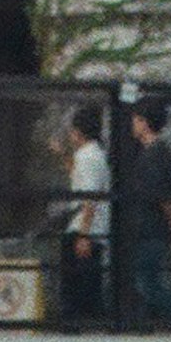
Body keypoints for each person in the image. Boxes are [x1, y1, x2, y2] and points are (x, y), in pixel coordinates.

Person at [120, 100, 171, 323]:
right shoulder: (157, 151)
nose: (132, 124)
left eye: (136, 120)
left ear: (144, 122)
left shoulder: (154, 154)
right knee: (145, 282)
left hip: (151, 228)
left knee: (147, 283)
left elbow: (163, 195)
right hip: (148, 227)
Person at [56, 107, 110, 322]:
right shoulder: (91, 155)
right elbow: (79, 179)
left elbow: (90, 197)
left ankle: (79, 326)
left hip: (83, 228)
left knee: (77, 287)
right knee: (85, 283)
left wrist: (83, 234)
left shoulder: (89, 157)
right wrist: (63, 156)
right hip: (86, 227)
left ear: (78, 132)